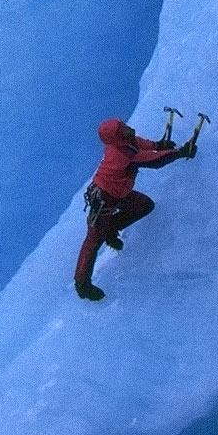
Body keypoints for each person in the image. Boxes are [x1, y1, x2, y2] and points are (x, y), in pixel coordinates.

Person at [74, 117, 196, 301]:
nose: (126, 128)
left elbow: (147, 146)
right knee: (92, 241)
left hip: (115, 195)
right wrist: (179, 152)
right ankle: (82, 285)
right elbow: (153, 161)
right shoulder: (122, 153)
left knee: (144, 205)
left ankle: (110, 230)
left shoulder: (126, 142)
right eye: (121, 129)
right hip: (105, 199)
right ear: (117, 138)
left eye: (122, 126)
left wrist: (160, 144)